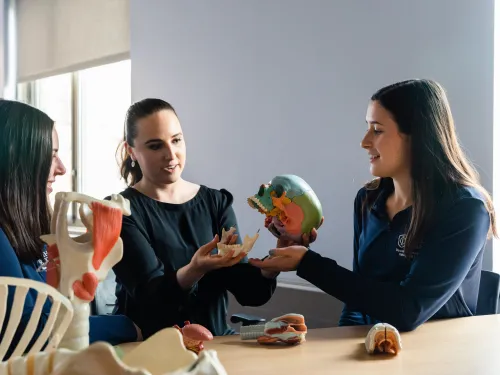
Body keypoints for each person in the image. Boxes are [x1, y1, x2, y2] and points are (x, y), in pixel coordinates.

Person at [250, 79, 497, 332]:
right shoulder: (368, 199)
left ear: (417, 136)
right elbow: (358, 299)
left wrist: (307, 264)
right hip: (374, 352)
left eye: (377, 130)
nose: (365, 142)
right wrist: (341, 347)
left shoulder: (465, 210)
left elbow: (409, 311)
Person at [110, 98, 278, 340]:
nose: (171, 155)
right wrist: (194, 270)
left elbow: (247, 291)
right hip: (148, 353)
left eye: (176, 140)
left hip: (214, 348)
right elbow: (151, 298)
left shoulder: (215, 203)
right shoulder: (120, 210)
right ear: (131, 151)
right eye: (155, 146)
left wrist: (276, 259)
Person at [0, 100, 140, 358]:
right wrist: (130, 326)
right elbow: (29, 329)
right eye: (52, 154)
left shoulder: (30, 232)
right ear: (18, 158)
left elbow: (59, 311)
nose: (62, 168)